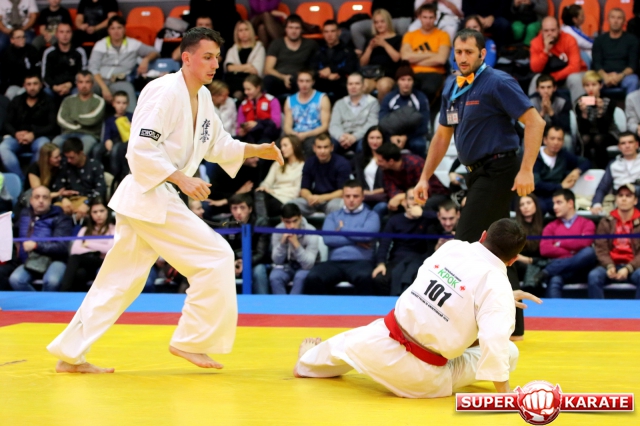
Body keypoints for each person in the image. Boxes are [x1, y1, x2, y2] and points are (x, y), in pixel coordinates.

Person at [46, 27, 284, 374]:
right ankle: (191, 340)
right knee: (216, 256)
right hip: (152, 193)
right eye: (207, 57)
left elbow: (217, 144)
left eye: (217, 57)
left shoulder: (203, 97)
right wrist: (181, 178)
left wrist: (254, 149)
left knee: (118, 282)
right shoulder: (163, 91)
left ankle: (69, 354)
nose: (215, 64)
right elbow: (140, 148)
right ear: (186, 58)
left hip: (150, 198)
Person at [294, 219, 541, 399]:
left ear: (483, 235)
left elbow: (445, 285)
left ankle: (308, 362)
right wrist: (505, 395)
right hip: (421, 378)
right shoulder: (497, 286)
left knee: (342, 345)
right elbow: (494, 341)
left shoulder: (453, 247)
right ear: (513, 260)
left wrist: (498, 300)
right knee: (509, 351)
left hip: (377, 345)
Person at [415, 28, 545, 339]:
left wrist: (526, 170)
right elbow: (442, 136)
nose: (462, 58)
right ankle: (513, 326)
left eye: (469, 52)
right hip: (476, 173)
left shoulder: (497, 82)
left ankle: (455, 322)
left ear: (482, 54)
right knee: (496, 247)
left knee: (464, 245)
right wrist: (424, 177)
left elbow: (535, 122)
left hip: (499, 168)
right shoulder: (453, 86)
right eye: (458, 52)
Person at [303, 180, 380, 295]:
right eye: (347, 196)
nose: (351, 199)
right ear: (343, 197)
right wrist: (356, 241)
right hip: (334, 262)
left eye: (355, 196)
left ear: (363, 197)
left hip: (361, 262)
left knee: (365, 278)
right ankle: (323, 307)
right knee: (313, 277)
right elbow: (328, 239)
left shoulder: (371, 215)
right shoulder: (333, 216)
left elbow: (366, 236)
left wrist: (342, 229)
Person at [88, 16, 159, 113]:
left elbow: (155, 52)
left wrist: (146, 60)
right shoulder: (100, 45)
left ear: (124, 29)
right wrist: (104, 88)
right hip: (99, 80)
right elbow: (93, 69)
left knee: (128, 91)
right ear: (108, 30)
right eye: (112, 28)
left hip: (120, 81)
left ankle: (131, 121)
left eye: (119, 28)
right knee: (85, 88)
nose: (116, 31)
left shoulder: (133, 44)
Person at [9, 186, 73, 292]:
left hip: (55, 259)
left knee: (52, 281)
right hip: (31, 260)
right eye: (37, 197)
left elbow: (62, 247)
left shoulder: (61, 218)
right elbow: (14, 232)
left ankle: (47, 302)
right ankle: (34, 302)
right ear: (31, 200)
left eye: (45, 197)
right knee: (16, 279)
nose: (41, 200)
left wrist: (36, 246)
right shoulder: (25, 215)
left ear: (50, 200)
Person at [372, 187, 434, 296]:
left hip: (420, 260)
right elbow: (384, 244)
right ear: (404, 202)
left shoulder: (427, 219)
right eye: (411, 198)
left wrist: (423, 214)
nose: (415, 202)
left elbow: (443, 218)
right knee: (380, 278)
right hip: (397, 260)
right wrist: (381, 263)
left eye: (418, 199)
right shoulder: (394, 220)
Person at [537, 189, 597, 298]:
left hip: (582, 270)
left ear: (570, 203)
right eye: (554, 203)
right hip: (562, 271)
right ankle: (555, 310)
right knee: (554, 280)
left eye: (559, 202)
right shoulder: (550, 226)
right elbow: (545, 249)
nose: (554, 207)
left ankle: (548, 270)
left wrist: (559, 243)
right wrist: (574, 254)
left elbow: (585, 242)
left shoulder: (587, 223)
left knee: (589, 252)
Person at [588, 183, 640, 299]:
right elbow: (600, 248)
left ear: (635, 200)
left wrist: (628, 268)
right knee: (594, 276)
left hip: (635, 267)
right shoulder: (606, 221)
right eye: (620, 195)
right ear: (616, 199)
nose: (624, 199)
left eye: (628, 196)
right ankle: (597, 310)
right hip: (610, 265)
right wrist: (609, 266)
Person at [0, 74, 56, 180]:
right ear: (24, 86)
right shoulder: (17, 100)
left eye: (35, 84)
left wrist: (34, 134)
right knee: (3, 148)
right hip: (18, 137)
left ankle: (31, 177)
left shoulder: (49, 101)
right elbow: (7, 123)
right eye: (29, 84)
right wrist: (16, 133)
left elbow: (52, 125)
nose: (32, 87)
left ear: (41, 85)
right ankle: (20, 179)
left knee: (43, 146)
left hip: (39, 136)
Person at [59, 197, 115, 292]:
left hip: (105, 261)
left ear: (107, 212)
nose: (98, 215)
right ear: (90, 214)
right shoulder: (84, 230)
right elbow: (75, 250)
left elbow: (110, 249)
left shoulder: (114, 229)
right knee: (80, 273)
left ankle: (64, 291)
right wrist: (97, 250)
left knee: (75, 259)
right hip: (87, 261)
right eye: (95, 212)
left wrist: (88, 244)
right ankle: (76, 298)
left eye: (101, 211)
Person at [376, 143, 448, 215]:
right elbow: (391, 188)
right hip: (408, 195)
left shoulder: (415, 163)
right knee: (393, 206)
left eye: (380, 161)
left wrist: (401, 197)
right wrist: (398, 198)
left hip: (434, 193)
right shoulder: (385, 169)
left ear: (391, 161)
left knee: (422, 207)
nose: (377, 163)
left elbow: (424, 188)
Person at [533, 125, 590, 214]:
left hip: (555, 197)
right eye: (552, 138)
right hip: (536, 196)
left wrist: (577, 171)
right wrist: (560, 186)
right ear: (545, 140)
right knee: (541, 207)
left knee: (567, 206)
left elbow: (586, 162)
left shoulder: (563, 155)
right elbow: (536, 184)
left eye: (559, 139)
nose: (556, 142)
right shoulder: (534, 157)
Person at [400, 3, 450, 103]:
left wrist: (415, 58)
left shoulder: (443, 35)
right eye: (425, 17)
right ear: (419, 17)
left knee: (428, 89)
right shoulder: (410, 35)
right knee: (400, 89)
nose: (428, 21)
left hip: (434, 73)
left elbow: (441, 59)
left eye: (431, 17)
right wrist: (433, 54)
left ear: (435, 18)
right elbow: (405, 57)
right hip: (412, 73)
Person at [292, 133, 350, 217]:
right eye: (319, 147)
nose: (322, 151)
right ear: (314, 148)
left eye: (325, 147)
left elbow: (343, 191)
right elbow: (304, 189)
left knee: (335, 206)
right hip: (314, 200)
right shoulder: (309, 162)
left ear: (331, 148)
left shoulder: (342, 163)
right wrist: (310, 197)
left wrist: (322, 198)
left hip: (332, 199)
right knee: (292, 205)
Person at [378, 64, 430, 156]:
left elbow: (424, 124)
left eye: (409, 80)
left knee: (419, 144)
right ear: (397, 81)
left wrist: (406, 137)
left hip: (413, 136)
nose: (406, 83)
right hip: (392, 135)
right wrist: (392, 136)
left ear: (413, 82)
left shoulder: (420, 98)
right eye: (402, 79)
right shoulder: (389, 98)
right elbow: (382, 121)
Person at [223, 193, 270, 294]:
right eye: (234, 208)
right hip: (232, 261)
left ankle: (263, 302)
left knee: (259, 271)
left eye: (242, 207)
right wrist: (233, 262)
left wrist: (245, 263)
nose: (238, 212)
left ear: (250, 209)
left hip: (254, 262)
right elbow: (223, 251)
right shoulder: (226, 224)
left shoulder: (260, 223)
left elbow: (261, 253)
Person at [51, 137, 106, 220]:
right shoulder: (65, 165)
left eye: (72, 157)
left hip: (88, 199)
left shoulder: (95, 165)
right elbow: (58, 186)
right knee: (53, 211)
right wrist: (63, 199)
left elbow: (100, 189)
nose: (69, 160)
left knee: (89, 212)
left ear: (80, 153)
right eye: (67, 157)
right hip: (68, 200)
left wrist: (87, 203)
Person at [269, 203, 319, 294]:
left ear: (300, 218)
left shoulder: (311, 231)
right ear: (282, 220)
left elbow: (308, 265)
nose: (291, 226)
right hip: (288, 265)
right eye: (287, 222)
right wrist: (282, 243)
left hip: (305, 267)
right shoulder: (278, 230)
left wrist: (296, 244)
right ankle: (281, 304)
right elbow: (277, 261)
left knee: (300, 277)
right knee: (275, 277)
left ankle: (292, 303)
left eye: (295, 221)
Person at [263, 14, 317, 98]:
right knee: (268, 80)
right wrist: (284, 77)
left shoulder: (310, 44)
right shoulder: (276, 43)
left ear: (301, 29)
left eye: (297, 28)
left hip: (299, 79)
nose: (294, 31)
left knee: (301, 80)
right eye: (291, 27)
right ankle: (268, 105)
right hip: (279, 77)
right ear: (286, 29)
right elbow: (268, 69)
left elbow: (315, 67)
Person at [53, 70, 105, 155]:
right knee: (53, 147)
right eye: (81, 82)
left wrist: (73, 117)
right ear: (76, 84)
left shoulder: (99, 101)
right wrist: (78, 125)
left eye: (87, 82)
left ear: (92, 84)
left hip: (88, 135)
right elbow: (61, 119)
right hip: (67, 134)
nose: (84, 85)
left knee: (81, 152)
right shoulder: (67, 100)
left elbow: (92, 119)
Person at [529, 16, 585, 93]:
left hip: (568, 77)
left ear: (559, 29)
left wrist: (554, 77)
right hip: (548, 79)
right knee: (536, 79)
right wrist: (545, 51)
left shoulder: (569, 40)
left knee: (574, 79)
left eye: (553, 30)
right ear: (541, 31)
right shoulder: (536, 42)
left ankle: (580, 101)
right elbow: (535, 69)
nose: (550, 33)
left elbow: (575, 67)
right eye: (546, 31)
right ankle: (533, 101)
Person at [591, 8, 639, 97]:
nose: (615, 21)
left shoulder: (632, 40)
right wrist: (605, 77)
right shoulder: (599, 40)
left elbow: (632, 65)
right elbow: (596, 64)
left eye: (619, 18)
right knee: (589, 80)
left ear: (624, 21)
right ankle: (589, 106)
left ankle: (631, 106)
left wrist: (619, 76)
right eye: (613, 17)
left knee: (634, 80)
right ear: (608, 20)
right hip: (603, 75)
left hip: (624, 76)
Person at [574, 71, 618, 169]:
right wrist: (584, 114)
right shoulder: (579, 102)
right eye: (587, 85)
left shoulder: (609, 101)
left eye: (594, 85)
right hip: (589, 134)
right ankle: (585, 168)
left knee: (598, 138)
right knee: (585, 139)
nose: (590, 88)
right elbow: (582, 130)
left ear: (600, 85)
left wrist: (600, 111)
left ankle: (603, 169)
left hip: (608, 133)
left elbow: (605, 128)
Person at [329, 73, 379, 156]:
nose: (353, 87)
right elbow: (334, 125)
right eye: (350, 84)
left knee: (363, 147)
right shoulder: (339, 103)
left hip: (362, 137)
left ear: (363, 86)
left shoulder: (372, 102)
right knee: (329, 146)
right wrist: (341, 137)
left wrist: (354, 137)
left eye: (357, 84)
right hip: (342, 137)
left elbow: (372, 124)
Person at [282, 70, 331, 156]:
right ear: (297, 82)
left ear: (313, 82)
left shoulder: (322, 98)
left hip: (314, 134)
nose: (304, 84)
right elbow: (287, 127)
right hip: (296, 134)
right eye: (301, 81)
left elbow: (325, 126)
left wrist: (306, 134)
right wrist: (295, 134)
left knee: (310, 147)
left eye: (307, 81)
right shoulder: (290, 100)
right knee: (277, 146)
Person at [254, 134, 304, 218]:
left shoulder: (303, 166)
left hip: (286, 199)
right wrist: (264, 187)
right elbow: (267, 182)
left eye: (285, 145)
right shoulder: (277, 164)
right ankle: (262, 222)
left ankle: (262, 223)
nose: (282, 149)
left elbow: (296, 191)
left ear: (294, 146)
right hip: (271, 196)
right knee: (257, 194)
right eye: (281, 146)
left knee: (261, 205)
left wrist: (273, 191)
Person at [309, 20, 358, 104]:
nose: (329, 35)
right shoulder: (318, 50)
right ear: (323, 33)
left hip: (341, 84)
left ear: (339, 32)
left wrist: (331, 70)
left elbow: (350, 68)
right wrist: (326, 75)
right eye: (326, 32)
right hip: (321, 83)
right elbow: (311, 68)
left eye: (332, 31)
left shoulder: (348, 50)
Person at [359, 8, 402, 102]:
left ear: (388, 22)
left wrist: (384, 44)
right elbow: (362, 64)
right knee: (361, 86)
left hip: (388, 75)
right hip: (371, 76)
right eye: (376, 22)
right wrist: (370, 48)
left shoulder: (398, 38)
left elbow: (397, 58)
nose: (379, 25)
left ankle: (382, 110)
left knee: (383, 86)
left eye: (382, 22)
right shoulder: (370, 40)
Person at [591, 132, 640, 215]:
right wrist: (597, 204)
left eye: (630, 142)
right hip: (620, 200)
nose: (627, 146)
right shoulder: (613, 164)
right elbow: (602, 187)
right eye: (623, 143)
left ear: (637, 144)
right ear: (619, 147)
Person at [42, 22, 87, 104]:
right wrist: (55, 87)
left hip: (73, 86)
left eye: (68, 32)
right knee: (45, 92)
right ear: (56, 34)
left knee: (79, 91)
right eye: (61, 32)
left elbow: (82, 74)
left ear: (72, 34)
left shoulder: (79, 52)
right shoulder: (48, 52)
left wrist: (70, 84)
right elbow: (45, 76)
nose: (65, 35)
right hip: (54, 87)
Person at [223, 20, 266, 99]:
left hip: (252, 81)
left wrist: (237, 68)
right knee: (227, 79)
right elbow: (229, 68)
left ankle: (239, 96)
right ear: (237, 33)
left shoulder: (259, 48)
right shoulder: (232, 49)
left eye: (246, 29)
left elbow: (255, 70)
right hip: (235, 81)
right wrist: (248, 66)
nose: (244, 33)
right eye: (240, 30)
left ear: (251, 31)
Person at [236, 75, 282, 145]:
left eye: (249, 89)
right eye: (245, 89)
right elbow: (239, 126)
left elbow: (276, 123)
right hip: (249, 137)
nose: (246, 92)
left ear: (258, 88)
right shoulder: (243, 104)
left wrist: (258, 124)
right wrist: (241, 131)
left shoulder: (272, 100)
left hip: (267, 136)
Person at [97, 90, 132, 178]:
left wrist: (131, 126)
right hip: (113, 140)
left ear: (128, 104)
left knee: (116, 150)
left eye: (124, 103)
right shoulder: (109, 119)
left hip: (126, 142)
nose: (121, 106)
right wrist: (107, 140)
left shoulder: (132, 117)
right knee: (97, 149)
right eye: (118, 103)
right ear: (113, 104)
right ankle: (98, 174)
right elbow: (107, 133)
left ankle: (116, 176)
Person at [353, 125, 387, 213]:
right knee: (361, 208)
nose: (375, 141)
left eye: (378, 138)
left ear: (383, 139)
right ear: (367, 139)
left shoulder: (389, 158)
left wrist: (373, 193)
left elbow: (392, 183)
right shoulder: (359, 158)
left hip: (383, 198)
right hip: (365, 197)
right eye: (371, 138)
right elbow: (357, 179)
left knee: (380, 208)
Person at [514, 194, 544, 292]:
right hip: (519, 263)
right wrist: (526, 260)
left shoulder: (545, 225)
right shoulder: (514, 226)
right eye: (522, 204)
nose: (525, 207)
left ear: (535, 204)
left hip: (539, 262)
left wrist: (531, 260)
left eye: (528, 203)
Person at [0, 28, 40, 98]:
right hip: (14, 84)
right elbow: (4, 74)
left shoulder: (32, 50)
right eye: (18, 37)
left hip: (30, 84)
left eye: (23, 37)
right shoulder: (7, 53)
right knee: (10, 94)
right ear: (12, 40)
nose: (22, 39)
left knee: (21, 94)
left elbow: (37, 70)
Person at [529, 74, 571, 138]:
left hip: (557, 133)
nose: (546, 91)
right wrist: (542, 112)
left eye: (549, 87)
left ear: (554, 88)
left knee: (567, 139)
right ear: (537, 89)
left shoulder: (563, 101)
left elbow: (565, 127)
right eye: (542, 87)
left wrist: (551, 112)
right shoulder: (530, 101)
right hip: (538, 133)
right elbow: (531, 128)